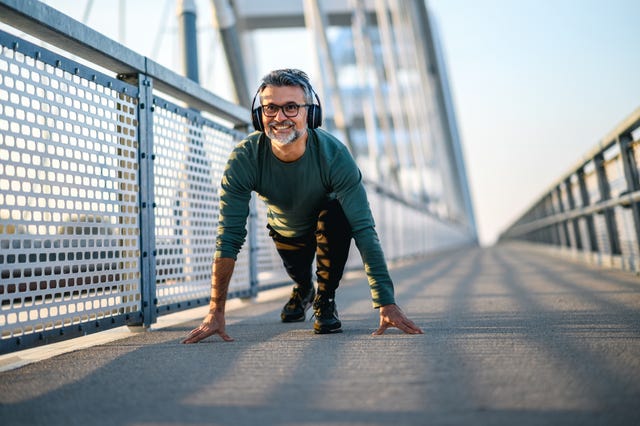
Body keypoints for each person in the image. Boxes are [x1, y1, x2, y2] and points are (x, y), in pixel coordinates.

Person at [183, 69, 422, 343]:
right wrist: (215, 312)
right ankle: (304, 289)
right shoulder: (245, 158)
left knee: (337, 216)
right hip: (286, 233)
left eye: (291, 107)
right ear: (258, 115)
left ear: (311, 114)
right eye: (270, 108)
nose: (280, 117)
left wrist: (386, 303)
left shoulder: (335, 156)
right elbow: (228, 237)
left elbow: (364, 230)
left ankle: (325, 299)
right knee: (298, 272)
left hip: (328, 225)